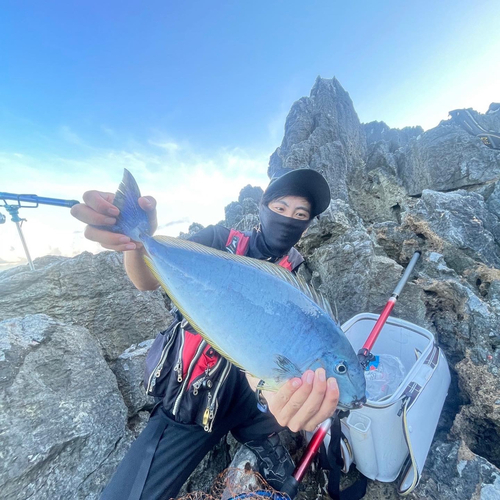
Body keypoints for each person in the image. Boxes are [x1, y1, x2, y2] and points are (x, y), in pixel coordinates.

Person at [71, 167, 339, 500]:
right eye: (281, 208)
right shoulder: (219, 240)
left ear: (307, 225)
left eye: (300, 214)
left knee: (281, 401)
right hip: (195, 397)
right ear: (262, 207)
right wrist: (135, 242)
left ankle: (258, 432)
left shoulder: (296, 275)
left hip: (248, 396)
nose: (289, 218)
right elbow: (146, 281)